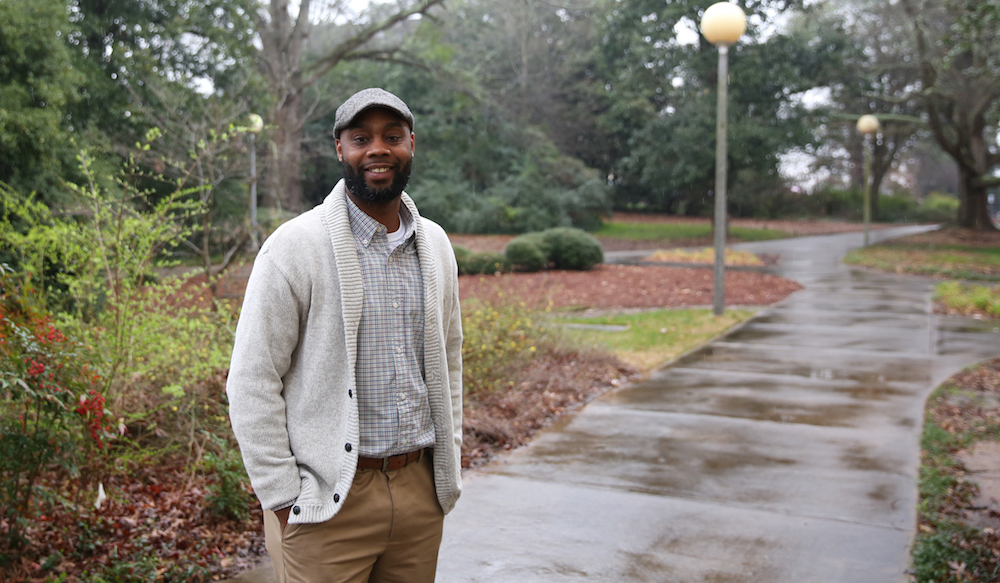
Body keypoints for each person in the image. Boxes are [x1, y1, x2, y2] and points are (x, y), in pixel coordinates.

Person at [226, 87, 463, 583]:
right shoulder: (294, 247)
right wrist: (282, 494)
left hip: (420, 496)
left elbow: (449, 357)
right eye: (361, 138)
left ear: (411, 144)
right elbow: (252, 379)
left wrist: (448, 463)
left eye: (391, 136)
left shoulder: (435, 244)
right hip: (327, 503)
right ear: (340, 149)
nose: (378, 149)